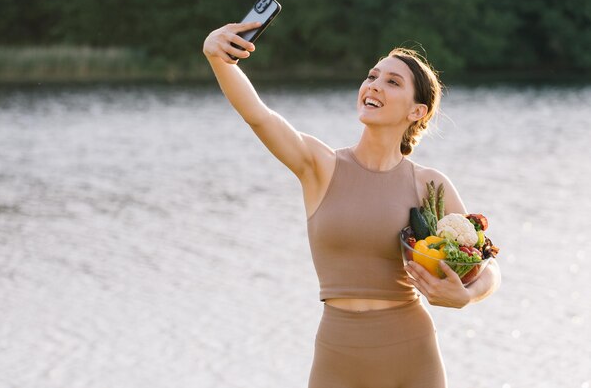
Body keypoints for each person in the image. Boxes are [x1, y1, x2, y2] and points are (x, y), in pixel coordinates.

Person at [203, 21, 501, 388]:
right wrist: (219, 59)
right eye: (372, 76)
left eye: (393, 82)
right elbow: (258, 115)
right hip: (338, 355)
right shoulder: (320, 166)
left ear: (417, 112)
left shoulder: (429, 185)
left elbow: (487, 267)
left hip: (412, 353)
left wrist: (467, 295)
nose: (374, 85)